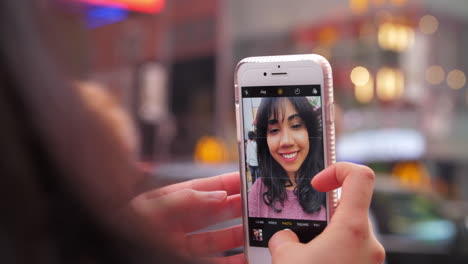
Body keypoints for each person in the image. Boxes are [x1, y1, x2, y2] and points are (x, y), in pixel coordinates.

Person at [0, 1, 384, 263]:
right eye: (272, 128)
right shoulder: (256, 194)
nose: (285, 139)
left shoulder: (318, 199)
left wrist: (122, 240)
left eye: (297, 125)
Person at [248, 97, 326, 220]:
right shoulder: (258, 191)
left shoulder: (331, 187)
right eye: (274, 130)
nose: (286, 141)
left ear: (310, 132)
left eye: (295, 126)